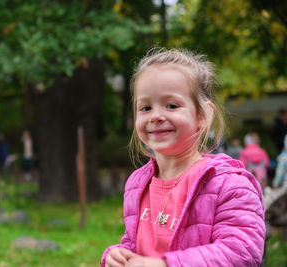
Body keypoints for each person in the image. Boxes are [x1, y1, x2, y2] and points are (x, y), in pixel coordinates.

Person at [101, 48, 265, 267]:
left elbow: (242, 252)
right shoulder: (137, 184)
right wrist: (117, 255)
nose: (156, 116)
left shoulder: (229, 184)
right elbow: (134, 244)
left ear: (202, 116)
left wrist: (166, 264)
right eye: (146, 107)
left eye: (171, 105)